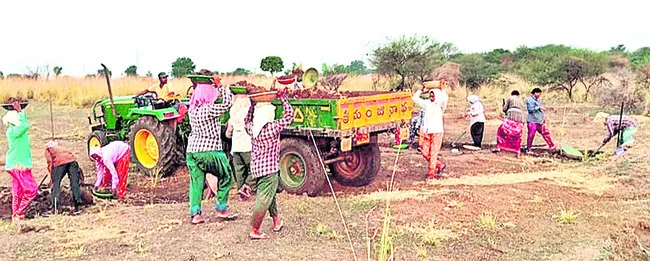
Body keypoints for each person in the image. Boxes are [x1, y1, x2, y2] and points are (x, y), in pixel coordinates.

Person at [244, 89, 294, 240]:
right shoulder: (272, 128)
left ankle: (276, 221)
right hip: (270, 169)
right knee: (264, 198)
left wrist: (252, 105)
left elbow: (246, 121)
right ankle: (254, 229)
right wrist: (282, 98)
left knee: (270, 195)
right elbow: (289, 116)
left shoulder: (252, 128)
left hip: (257, 169)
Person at [185, 80, 236, 225]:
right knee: (226, 176)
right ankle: (221, 209)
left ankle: (195, 215)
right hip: (210, 150)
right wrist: (221, 86)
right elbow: (226, 104)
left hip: (192, 151)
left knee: (196, 183)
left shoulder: (192, 111)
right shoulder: (209, 109)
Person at [3, 100, 37, 227]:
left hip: (14, 164)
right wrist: (20, 112)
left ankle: (15, 218)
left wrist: (21, 113)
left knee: (18, 191)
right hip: (20, 165)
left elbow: (24, 124)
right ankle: (19, 214)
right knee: (31, 190)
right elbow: (25, 125)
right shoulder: (15, 131)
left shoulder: (13, 131)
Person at [226, 95, 256, 200]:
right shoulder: (249, 114)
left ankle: (241, 191)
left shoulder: (233, 116)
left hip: (236, 147)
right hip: (247, 146)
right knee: (253, 168)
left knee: (239, 170)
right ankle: (247, 186)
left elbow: (228, 134)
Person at [413, 85, 445, 179]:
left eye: (433, 96)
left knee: (434, 154)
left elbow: (445, 98)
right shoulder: (426, 104)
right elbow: (415, 98)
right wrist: (421, 90)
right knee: (425, 153)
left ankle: (431, 174)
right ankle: (440, 165)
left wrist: (442, 89)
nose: (431, 98)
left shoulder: (440, 105)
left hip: (437, 132)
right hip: (427, 131)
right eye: (430, 96)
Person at [45, 140, 84, 214]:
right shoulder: (62, 147)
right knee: (74, 183)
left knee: (56, 185)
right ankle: (78, 205)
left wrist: (52, 177)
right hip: (72, 161)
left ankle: (55, 207)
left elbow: (50, 162)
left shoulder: (47, 149)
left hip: (60, 163)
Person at [526, 88, 555, 152]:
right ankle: (528, 148)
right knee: (531, 135)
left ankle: (552, 146)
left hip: (539, 120)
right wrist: (539, 108)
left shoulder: (538, 100)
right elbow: (530, 110)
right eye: (538, 93)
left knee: (545, 133)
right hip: (532, 120)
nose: (539, 95)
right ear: (535, 93)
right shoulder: (529, 100)